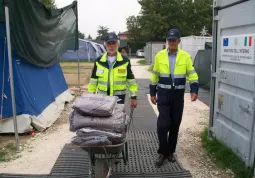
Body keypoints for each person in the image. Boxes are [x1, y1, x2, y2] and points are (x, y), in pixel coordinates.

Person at [150, 29, 199, 167]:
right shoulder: (160, 56)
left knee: (174, 125)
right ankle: (162, 152)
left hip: (178, 97)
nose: (171, 42)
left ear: (179, 41)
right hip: (163, 96)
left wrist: (194, 90)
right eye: (169, 40)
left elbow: (192, 74)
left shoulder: (185, 57)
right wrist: (153, 92)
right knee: (162, 125)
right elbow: (155, 75)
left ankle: (171, 152)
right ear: (167, 41)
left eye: (174, 40)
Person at [88, 32, 138, 107]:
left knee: (118, 118)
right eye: (109, 44)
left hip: (119, 99)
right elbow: (93, 81)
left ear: (118, 44)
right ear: (105, 45)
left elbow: (131, 80)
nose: (112, 46)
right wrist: (90, 97)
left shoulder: (125, 61)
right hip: (102, 98)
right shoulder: (99, 61)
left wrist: (133, 97)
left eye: (114, 43)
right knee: (103, 118)